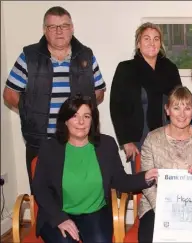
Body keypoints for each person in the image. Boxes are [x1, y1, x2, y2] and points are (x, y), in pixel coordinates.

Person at [2, 6, 106, 188]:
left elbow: (99, 92)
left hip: (78, 141)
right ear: (44, 30)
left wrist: (81, 114)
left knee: (78, 190)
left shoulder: (87, 56)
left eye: (64, 26)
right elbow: (9, 94)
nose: (59, 31)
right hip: (41, 141)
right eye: (53, 27)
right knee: (43, 194)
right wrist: (30, 111)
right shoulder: (29, 56)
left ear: (72, 28)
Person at [32, 94, 158, 243]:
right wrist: (60, 219)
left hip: (95, 213)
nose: (80, 122)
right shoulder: (50, 148)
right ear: (65, 120)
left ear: (92, 121)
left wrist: (145, 177)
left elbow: (120, 180)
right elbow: (39, 188)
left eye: (86, 116)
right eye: (74, 116)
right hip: (58, 212)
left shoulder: (106, 145)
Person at [138, 86, 192, 243]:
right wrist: (162, 208)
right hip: (157, 205)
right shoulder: (152, 139)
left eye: (187, 108)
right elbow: (147, 182)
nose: (182, 114)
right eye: (176, 108)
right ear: (167, 110)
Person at [110, 22, 182, 173]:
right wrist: (126, 141)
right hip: (138, 138)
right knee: (144, 183)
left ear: (160, 43)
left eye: (156, 39)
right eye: (147, 38)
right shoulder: (126, 69)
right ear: (138, 43)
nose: (152, 43)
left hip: (168, 136)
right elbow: (116, 107)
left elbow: (179, 102)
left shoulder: (170, 68)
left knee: (168, 181)